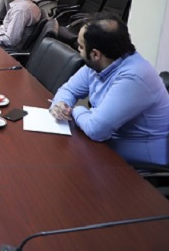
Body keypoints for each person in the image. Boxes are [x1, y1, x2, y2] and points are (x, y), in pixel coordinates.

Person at [50, 15, 169, 166]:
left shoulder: (135, 77)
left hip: (140, 162)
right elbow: (68, 89)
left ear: (95, 54)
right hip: (108, 142)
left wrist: (75, 110)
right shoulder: (100, 64)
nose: (78, 50)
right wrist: (61, 104)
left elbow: (96, 130)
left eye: (80, 46)